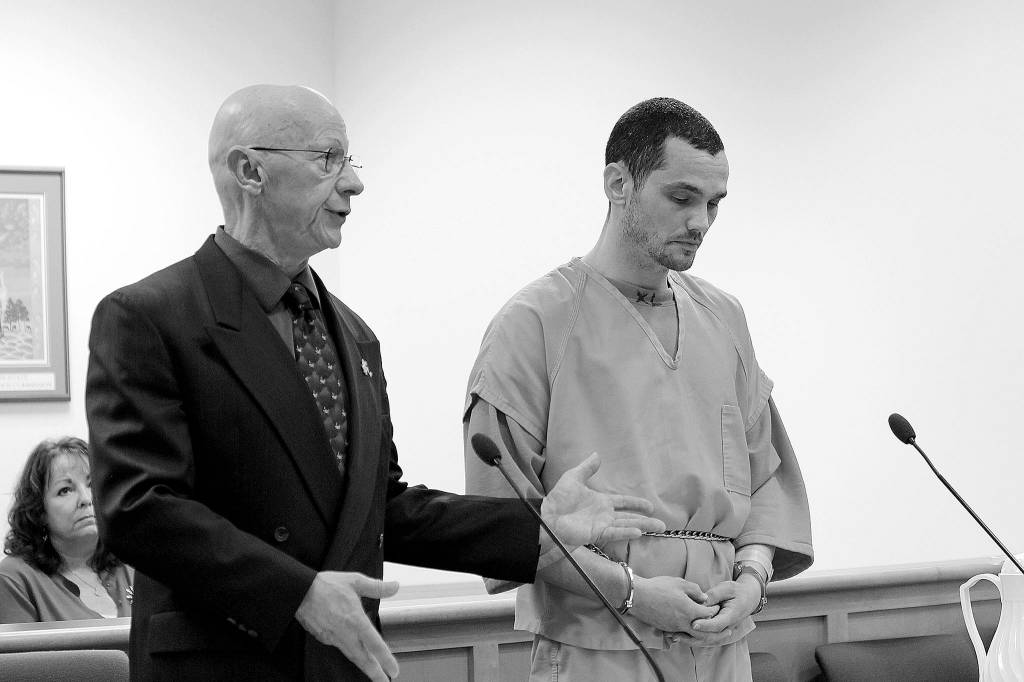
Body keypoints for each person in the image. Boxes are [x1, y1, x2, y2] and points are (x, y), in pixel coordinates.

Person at [85, 84, 664, 682]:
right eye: (327, 158)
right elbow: (139, 509)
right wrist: (297, 593)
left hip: (344, 664)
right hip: (226, 663)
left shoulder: (354, 334)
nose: (354, 183)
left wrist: (537, 529)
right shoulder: (150, 317)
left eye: (350, 161)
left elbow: (382, 508)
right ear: (249, 171)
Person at [463, 97, 814, 681]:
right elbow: (504, 519)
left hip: (722, 642)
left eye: (714, 203)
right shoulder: (535, 322)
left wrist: (752, 581)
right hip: (598, 643)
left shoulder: (725, 317)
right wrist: (631, 592)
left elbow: (765, 472)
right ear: (619, 183)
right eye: (681, 198)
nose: (700, 222)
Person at [1, 437, 132, 624]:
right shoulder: (14, 579)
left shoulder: (134, 563)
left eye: (92, 484)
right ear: (39, 512)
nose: (86, 499)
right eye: (65, 490)